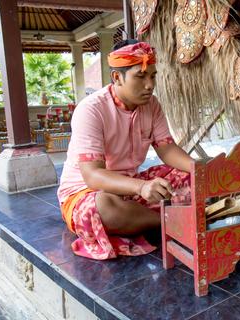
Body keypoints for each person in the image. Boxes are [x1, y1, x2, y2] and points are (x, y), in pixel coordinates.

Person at [57, 40, 193, 260]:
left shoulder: (152, 105)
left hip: (131, 187)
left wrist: (203, 169)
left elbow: (167, 150)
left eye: (153, 76)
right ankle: (173, 221)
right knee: (104, 207)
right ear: (117, 78)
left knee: (188, 176)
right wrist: (141, 187)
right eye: (140, 77)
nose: (149, 85)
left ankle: (152, 218)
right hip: (86, 194)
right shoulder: (91, 109)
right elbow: (92, 175)